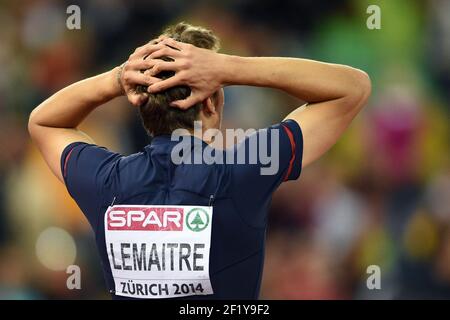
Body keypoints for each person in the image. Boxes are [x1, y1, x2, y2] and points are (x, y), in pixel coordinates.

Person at [28, 22, 371, 299]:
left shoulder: (108, 183)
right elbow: (352, 88)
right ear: (212, 102)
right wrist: (229, 68)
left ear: (142, 107)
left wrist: (116, 79)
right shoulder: (243, 171)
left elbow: (43, 122)